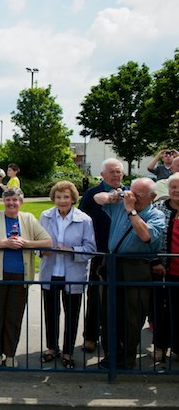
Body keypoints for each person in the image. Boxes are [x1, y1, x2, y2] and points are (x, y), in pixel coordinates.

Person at [93, 177, 165, 369]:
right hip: (112, 264)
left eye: (138, 195)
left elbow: (146, 235)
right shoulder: (120, 204)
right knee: (109, 313)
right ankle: (111, 356)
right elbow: (96, 198)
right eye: (131, 192)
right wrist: (112, 196)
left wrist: (131, 211)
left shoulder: (155, 215)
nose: (132, 197)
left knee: (132, 315)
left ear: (152, 197)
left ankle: (127, 358)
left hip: (136, 267)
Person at [0, 187, 52, 368]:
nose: (11, 203)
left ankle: (10, 354)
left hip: (20, 275)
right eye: (8, 200)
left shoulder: (28, 219)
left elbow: (47, 242)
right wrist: (4, 243)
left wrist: (26, 243)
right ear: (3, 201)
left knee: (14, 317)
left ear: (21, 202)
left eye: (15, 200)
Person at [38, 181, 96, 369]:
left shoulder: (84, 219)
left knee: (72, 314)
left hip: (73, 274)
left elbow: (90, 249)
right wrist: (41, 251)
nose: (62, 201)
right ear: (53, 198)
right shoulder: (45, 216)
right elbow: (37, 243)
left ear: (73, 199)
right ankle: (52, 348)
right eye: (58, 197)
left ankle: (68, 351)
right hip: (51, 272)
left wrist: (70, 249)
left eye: (66, 197)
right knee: (50, 312)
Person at [78, 158, 128, 354]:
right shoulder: (92, 194)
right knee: (95, 296)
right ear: (103, 174)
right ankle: (90, 336)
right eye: (112, 172)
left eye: (119, 172)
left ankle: (118, 338)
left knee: (122, 297)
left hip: (123, 253)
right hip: (100, 252)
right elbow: (81, 219)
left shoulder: (130, 192)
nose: (116, 175)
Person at [149, 173, 179, 363]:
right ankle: (160, 347)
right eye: (173, 187)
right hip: (164, 271)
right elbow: (151, 239)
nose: (177, 191)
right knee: (161, 312)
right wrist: (155, 261)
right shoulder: (159, 209)